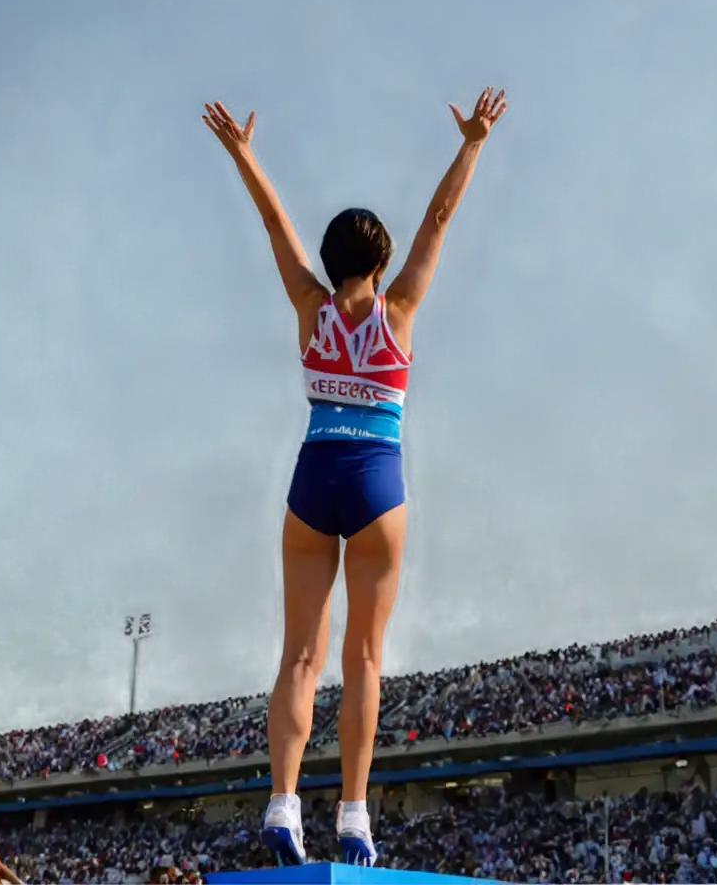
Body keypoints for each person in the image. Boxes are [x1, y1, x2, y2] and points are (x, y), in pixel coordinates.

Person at [202, 86, 506, 866]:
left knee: (298, 655)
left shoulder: (309, 307)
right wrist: (471, 143)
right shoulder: (398, 307)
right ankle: (354, 818)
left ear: (332, 261)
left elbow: (274, 225)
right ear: (379, 262)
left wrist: (241, 152)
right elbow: (438, 224)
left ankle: (281, 804)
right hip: (377, 481)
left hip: (314, 478)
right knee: (362, 659)